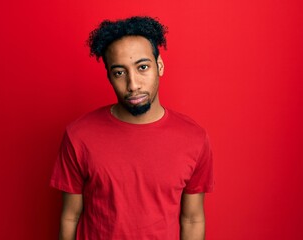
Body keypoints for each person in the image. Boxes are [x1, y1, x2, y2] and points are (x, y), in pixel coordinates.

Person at [50, 16, 214, 240]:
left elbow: (192, 219)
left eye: (143, 67)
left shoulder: (194, 138)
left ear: (160, 66)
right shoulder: (79, 136)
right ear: (109, 76)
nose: (133, 84)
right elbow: (70, 216)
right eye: (119, 72)